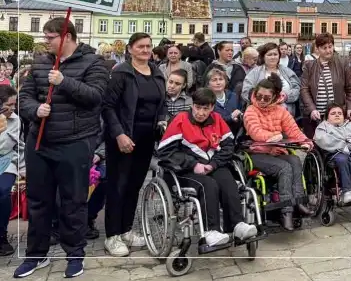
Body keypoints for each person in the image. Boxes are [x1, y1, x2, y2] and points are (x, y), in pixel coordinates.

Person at [16, 17, 109, 279]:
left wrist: (64, 81)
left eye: (50, 37)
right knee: (38, 202)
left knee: (73, 203)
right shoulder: (40, 63)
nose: (45, 42)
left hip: (75, 142)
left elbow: (96, 97)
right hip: (40, 142)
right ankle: (36, 254)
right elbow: (24, 97)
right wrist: (35, 110)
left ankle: (75, 255)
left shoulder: (93, 63)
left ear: (66, 36)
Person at [157, 88, 258, 246]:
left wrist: (213, 164)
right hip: (183, 171)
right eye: (197, 107)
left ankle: (237, 225)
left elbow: (228, 147)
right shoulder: (180, 120)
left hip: (211, 165)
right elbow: (165, 152)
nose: (201, 112)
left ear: (212, 108)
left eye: (205, 108)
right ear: (192, 105)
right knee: (208, 185)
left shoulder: (217, 119)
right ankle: (211, 231)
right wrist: (193, 164)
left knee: (226, 179)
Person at [102, 33, 167, 257]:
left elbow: (162, 104)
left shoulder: (158, 73)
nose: (146, 50)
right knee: (117, 186)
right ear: (130, 49)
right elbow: (108, 107)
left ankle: (127, 229)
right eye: (141, 46)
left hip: (146, 139)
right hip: (122, 138)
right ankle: (112, 236)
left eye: (149, 46)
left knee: (134, 186)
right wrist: (119, 134)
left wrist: (162, 119)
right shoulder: (121, 73)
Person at [243, 75, 314, 231]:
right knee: (284, 168)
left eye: (266, 98)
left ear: (274, 97)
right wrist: (273, 138)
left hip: (276, 151)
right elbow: (256, 133)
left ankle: (299, 202)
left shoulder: (280, 111)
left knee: (294, 160)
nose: (261, 100)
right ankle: (286, 212)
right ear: (254, 94)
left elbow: (293, 130)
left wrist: (305, 141)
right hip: (257, 154)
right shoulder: (250, 111)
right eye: (259, 96)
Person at [300, 33, 351, 138]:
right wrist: (312, 109)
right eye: (324, 48)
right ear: (317, 49)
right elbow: (304, 89)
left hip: (336, 115)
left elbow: (350, 89)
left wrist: (350, 107)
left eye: (330, 47)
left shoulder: (342, 63)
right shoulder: (309, 66)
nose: (328, 50)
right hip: (317, 116)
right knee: (317, 145)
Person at [242, 43, 301, 117]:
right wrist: (263, 99)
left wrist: (286, 97)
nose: (273, 57)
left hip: (286, 116)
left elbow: (297, 89)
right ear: (263, 56)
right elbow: (245, 91)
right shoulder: (254, 72)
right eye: (269, 55)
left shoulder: (288, 71)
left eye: (275, 54)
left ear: (279, 56)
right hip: (260, 116)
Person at [0, 85, 22, 256]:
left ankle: (2, 235)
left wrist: (23, 168)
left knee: (3, 191)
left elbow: (13, 145)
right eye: (10, 104)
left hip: (7, 160)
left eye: (15, 104)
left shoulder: (15, 120)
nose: (13, 108)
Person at [206, 68, 244, 133]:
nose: (218, 83)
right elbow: (212, 121)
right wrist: (231, 117)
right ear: (208, 84)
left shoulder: (233, 96)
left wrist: (238, 117)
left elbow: (240, 111)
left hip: (234, 132)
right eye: (214, 80)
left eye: (221, 79)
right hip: (215, 134)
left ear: (225, 82)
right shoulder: (205, 99)